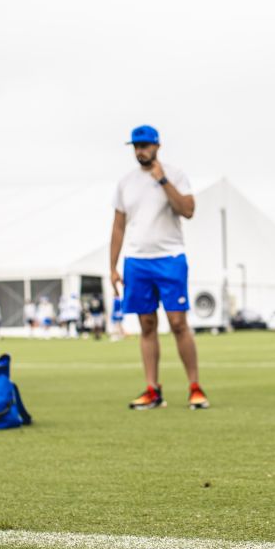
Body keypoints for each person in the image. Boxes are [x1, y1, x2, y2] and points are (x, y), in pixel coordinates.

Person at [110, 125, 209, 410]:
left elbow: (188, 210)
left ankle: (195, 386)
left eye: (145, 146)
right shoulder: (125, 182)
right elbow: (118, 226)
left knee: (178, 323)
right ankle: (153, 389)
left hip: (170, 258)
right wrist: (113, 266)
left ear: (157, 146)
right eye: (136, 146)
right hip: (136, 261)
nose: (141, 151)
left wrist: (163, 180)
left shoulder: (175, 175)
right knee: (147, 325)